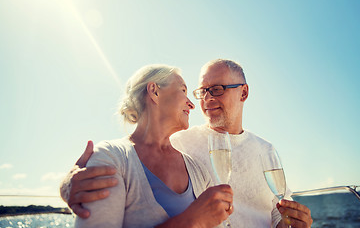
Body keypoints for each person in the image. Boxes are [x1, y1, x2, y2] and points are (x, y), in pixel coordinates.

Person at [61, 59, 313, 228]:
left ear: (243, 93)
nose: (204, 100)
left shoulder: (265, 150)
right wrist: (68, 183)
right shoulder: (179, 141)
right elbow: (126, 154)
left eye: (217, 89)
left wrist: (291, 222)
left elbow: (278, 212)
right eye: (200, 91)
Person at [69, 64, 234, 228]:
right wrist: (191, 221)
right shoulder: (110, 157)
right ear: (154, 91)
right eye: (183, 91)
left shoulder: (198, 171)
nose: (192, 104)